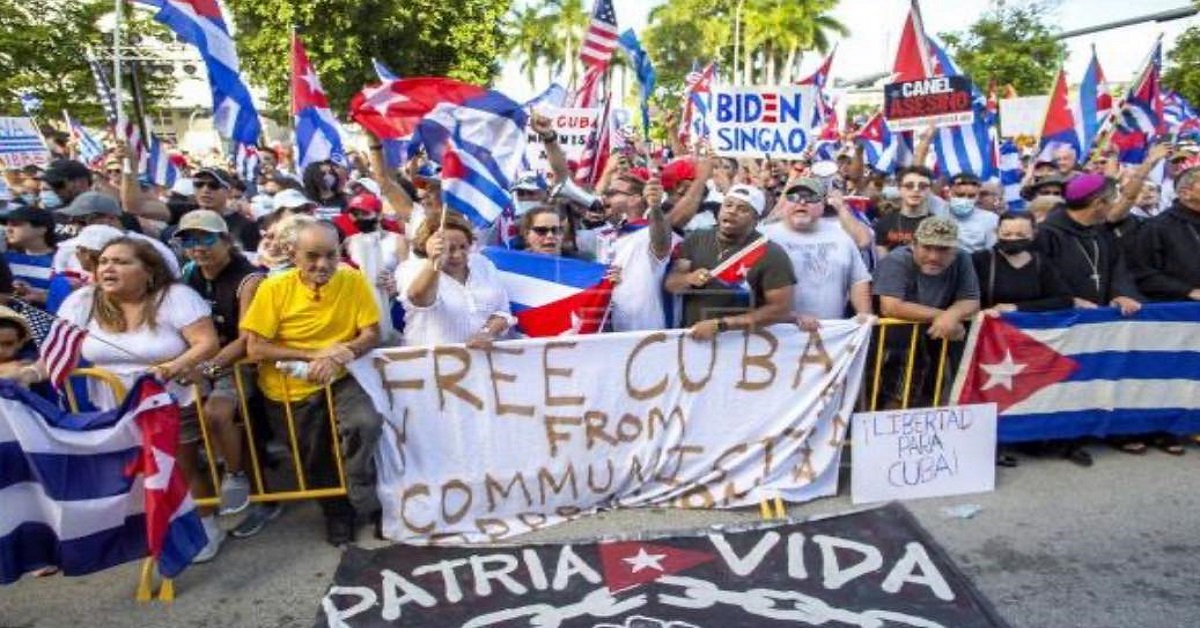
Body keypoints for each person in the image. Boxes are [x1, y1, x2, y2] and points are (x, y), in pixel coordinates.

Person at [55, 237, 223, 560]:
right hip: (113, 406)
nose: (108, 267)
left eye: (120, 261)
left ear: (148, 271)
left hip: (171, 399)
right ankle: (156, 527)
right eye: (104, 261)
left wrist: (172, 368)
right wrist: (30, 372)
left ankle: (205, 524)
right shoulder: (83, 302)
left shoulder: (176, 297)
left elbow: (206, 342)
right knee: (134, 470)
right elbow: (59, 348)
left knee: (178, 465)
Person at [241, 222, 384, 546]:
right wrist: (312, 355)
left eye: (331, 255)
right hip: (289, 387)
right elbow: (255, 347)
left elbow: (371, 332)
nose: (323, 264)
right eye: (313, 256)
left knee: (367, 425)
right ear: (293, 255)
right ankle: (337, 515)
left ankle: (368, 503)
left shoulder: (352, 278)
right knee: (313, 456)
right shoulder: (273, 289)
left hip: (342, 377)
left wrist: (344, 352)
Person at [175, 210, 266, 516]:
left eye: (205, 238)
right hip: (198, 361)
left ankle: (236, 474)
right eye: (189, 239)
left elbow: (246, 339)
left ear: (226, 240)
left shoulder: (249, 278)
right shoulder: (188, 272)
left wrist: (208, 367)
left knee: (217, 413)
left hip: (239, 362)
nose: (197, 246)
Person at [873, 216, 981, 407]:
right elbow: (890, 306)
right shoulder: (896, 260)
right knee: (894, 398)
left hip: (938, 340)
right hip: (897, 342)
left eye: (943, 249)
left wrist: (951, 316)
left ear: (955, 250)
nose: (934, 256)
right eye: (927, 247)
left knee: (935, 396)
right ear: (914, 244)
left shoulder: (963, 258)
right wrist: (946, 317)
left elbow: (971, 299)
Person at [665, 183, 796, 337]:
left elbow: (779, 309)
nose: (732, 211)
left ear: (755, 219)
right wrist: (689, 278)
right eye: (728, 205)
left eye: (742, 209)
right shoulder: (697, 238)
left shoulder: (771, 253)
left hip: (742, 344)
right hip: (694, 339)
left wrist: (721, 325)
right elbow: (671, 285)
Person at [763, 177, 872, 326]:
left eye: (810, 197)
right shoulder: (764, 237)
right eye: (793, 197)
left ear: (823, 204)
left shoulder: (841, 235)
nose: (801, 202)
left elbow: (858, 280)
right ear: (784, 202)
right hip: (778, 334)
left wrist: (865, 316)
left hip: (831, 335)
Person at [396, 210, 514, 347]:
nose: (457, 255)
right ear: (427, 245)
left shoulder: (482, 264)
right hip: (431, 362)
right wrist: (434, 263)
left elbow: (503, 311)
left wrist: (487, 332)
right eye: (449, 249)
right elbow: (419, 298)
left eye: (463, 247)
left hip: (483, 361)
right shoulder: (410, 269)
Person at [1037, 173, 1143, 314]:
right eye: (1113, 199)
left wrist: (1120, 295)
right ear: (1098, 204)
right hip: (1062, 320)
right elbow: (1041, 281)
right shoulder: (1045, 234)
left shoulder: (1102, 232)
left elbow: (1118, 271)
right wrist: (1068, 300)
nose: (1115, 205)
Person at [972, 213, 1074, 315]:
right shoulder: (979, 260)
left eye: (1020, 235)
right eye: (1006, 234)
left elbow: (1064, 299)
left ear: (1034, 234)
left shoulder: (1042, 262)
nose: (1013, 238)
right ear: (997, 232)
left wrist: (1017, 307)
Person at [1131, 166, 1200, 303]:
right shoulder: (1156, 227)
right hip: (1179, 310)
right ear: (1186, 193)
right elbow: (1143, 274)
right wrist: (1187, 291)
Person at [873, 166, 944, 257]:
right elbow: (882, 261)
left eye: (922, 186)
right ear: (899, 188)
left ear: (929, 190)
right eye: (909, 186)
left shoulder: (938, 225)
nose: (916, 190)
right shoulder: (884, 222)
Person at [193, 167, 261, 253]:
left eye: (213, 185)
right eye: (199, 184)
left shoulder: (246, 226)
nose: (205, 190)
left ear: (228, 191)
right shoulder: (186, 219)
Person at [3, 206, 56, 306]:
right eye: (7, 225)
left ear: (42, 229)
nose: (8, 229)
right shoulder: (5, 259)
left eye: (16, 224)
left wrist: (43, 297)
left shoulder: (62, 261)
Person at [939, 173, 999, 253]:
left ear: (977, 197)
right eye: (960, 195)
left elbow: (991, 253)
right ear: (948, 193)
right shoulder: (937, 208)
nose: (965, 199)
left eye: (971, 196)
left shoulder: (990, 219)